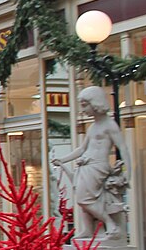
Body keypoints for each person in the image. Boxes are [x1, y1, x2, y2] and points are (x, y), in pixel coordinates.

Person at [52, 86, 130, 240]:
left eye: (84, 105)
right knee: (82, 199)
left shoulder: (110, 125)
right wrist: (63, 159)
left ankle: (111, 225)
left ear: (95, 103)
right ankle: (88, 229)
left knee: (84, 199)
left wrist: (128, 171)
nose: (83, 110)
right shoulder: (93, 127)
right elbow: (82, 149)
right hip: (86, 166)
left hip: (97, 166)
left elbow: (123, 147)